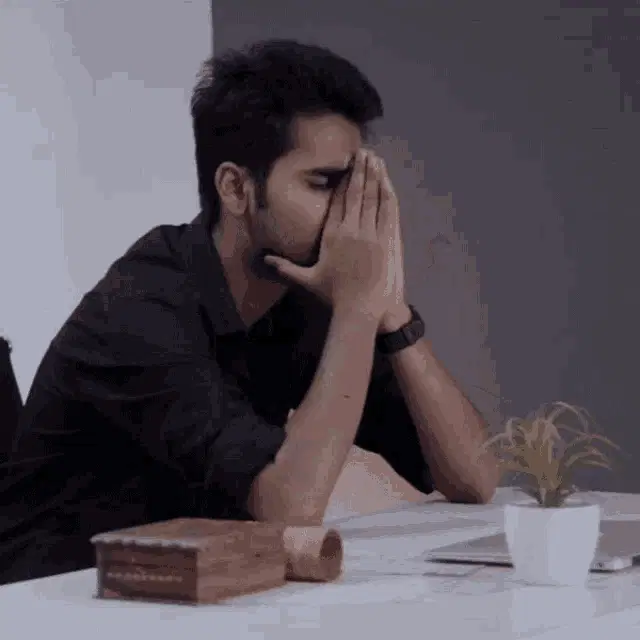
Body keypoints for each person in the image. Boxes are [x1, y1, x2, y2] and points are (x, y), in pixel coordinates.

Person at [0, 39, 498, 585]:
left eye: (354, 186)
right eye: (323, 184)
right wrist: (359, 306)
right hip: (52, 600)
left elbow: (475, 478)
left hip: (187, 594)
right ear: (236, 188)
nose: (349, 216)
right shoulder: (140, 309)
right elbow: (290, 509)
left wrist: (391, 310)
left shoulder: (306, 296)